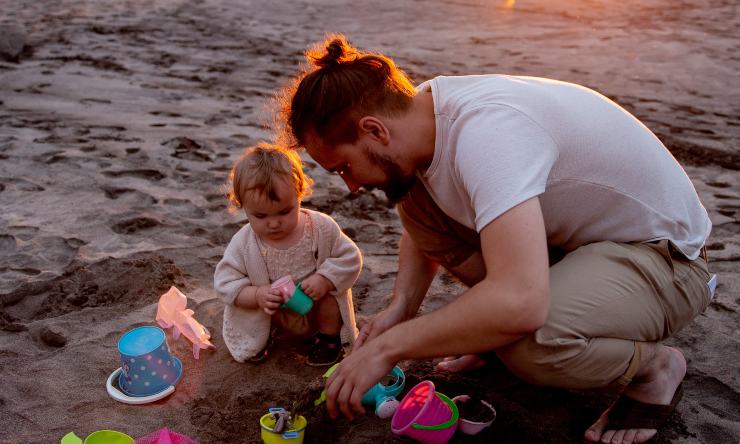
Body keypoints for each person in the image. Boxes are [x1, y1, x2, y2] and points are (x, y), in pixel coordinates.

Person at [276, 34, 714, 443]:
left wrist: (389, 348)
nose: (350, 186)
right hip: (579, 248)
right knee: (411, 192)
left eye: (343, 168)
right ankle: (497, 333)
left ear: (374, 130)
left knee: (529, 342)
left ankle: (655, 369)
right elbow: (423, 224)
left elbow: (522, 302)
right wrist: (401, 309)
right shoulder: (419, 117)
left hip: (666, 259)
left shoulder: (488, 134)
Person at [214, 143, 362, 366]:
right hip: (275, 311)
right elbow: (225, 284)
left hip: (314, 308)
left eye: (284, 211)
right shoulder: (244, 243)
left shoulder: (320, 228)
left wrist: (325, 278)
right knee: (258, 311)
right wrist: (257, 295)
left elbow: (350, 258)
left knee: (330, 299)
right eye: (261, 216)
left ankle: (328, 341)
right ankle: (266, 339)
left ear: (299, 194)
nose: (274, 223)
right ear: (242, 206)